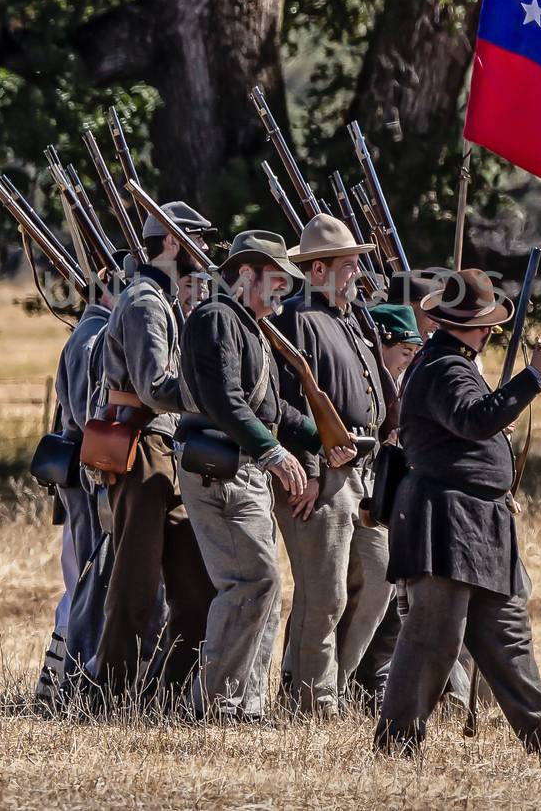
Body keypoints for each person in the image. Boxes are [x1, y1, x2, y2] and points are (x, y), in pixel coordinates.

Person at [375, 269, 541, 761]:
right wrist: (533, 378)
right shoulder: (443, 368)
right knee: (432, 637)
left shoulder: (452, 363)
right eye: (479, 323)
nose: (487, 331)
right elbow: (475, 420)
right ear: (454, 324)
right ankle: (398, 740)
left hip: (477, 518)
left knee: (507, 634)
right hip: (447, 517)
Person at [177, 231, 330, 721]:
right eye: (278, 280)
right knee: (251, 582)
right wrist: (270, 452)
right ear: (246, 275)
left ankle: (247, 704)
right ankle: (215, 705)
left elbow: (270, 407)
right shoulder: (217, 318)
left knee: (264, 587)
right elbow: (224, 400)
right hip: (220, 469)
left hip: (242, 470)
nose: (283, 292)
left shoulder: (244, 324)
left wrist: (322, 438)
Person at [93, 203, 216, 705]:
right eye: (198, 241)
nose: (205, 251)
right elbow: (154, 387)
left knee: (200, 593)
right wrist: (212, 395)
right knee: (135, 588)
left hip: (164, 448)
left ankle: (162, 696)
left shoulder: (160, 299)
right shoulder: (145, 301)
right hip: (143, 447)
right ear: (172, 243)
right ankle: (110, 695)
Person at [272, 214, 391, 717]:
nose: (355, 275)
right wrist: (313, 462)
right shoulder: (296, 320)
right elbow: (285, 403)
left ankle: (333, 684)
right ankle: (311, 700)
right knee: (325, 592)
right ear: (316, 270)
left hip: (361, 471)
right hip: (322, 474)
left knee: (380, 577)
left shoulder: (347, 319)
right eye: (346, 265)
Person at [34, 268, 117, 709]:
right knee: (87, 578)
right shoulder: (93, 334)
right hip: (88, 479)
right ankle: (69, 680)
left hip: (86, 477)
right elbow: (90, 419)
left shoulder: (96, 330)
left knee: (85, 577)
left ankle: (58, 680)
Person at [343, 303, 422, 706]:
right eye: (405, 351)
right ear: (383, 343)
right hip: (349, 481)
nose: (409, 361)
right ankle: (330, 683)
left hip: (379, 489)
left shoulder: (393, 384)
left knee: (377, 587)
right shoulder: (368, 379)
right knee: (359, 586)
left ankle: (350, 680)